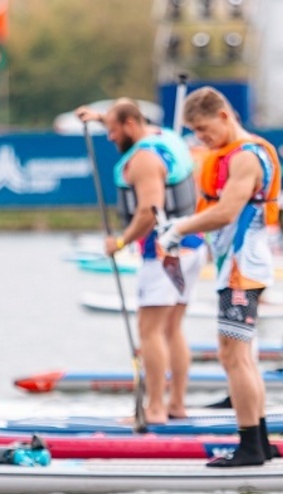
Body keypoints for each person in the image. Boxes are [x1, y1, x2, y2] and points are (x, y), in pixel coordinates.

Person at [156, 86, 280, 466]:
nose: (202, 138)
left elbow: (226, 212)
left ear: (224, 116)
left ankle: (249, 448)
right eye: (195, 132)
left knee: (233, 357)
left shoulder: (245, 157)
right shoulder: (233, 153)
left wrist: (177, 229)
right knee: (241, 357)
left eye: (205, 130)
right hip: (239, 266)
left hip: (242, 269)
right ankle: (260, 440)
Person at [76, 99, 204, 425]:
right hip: (192, 246)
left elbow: (149, 210)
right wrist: (99, 116)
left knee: (150, 331)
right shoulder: (164, 136)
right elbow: (127, 116)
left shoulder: (144, 159)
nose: (109, 137)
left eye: (113, 130)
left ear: (131, 125)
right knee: (173, 328)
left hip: (162, 253)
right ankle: (176, 405)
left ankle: (156, 409)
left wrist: (120, 241)